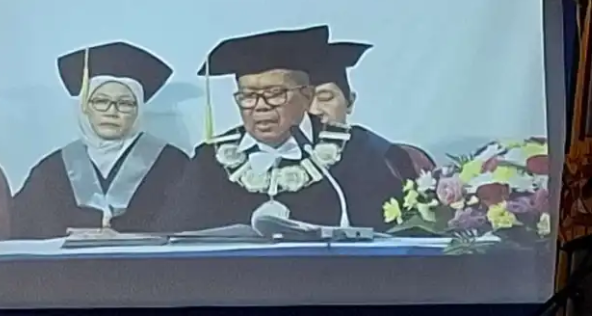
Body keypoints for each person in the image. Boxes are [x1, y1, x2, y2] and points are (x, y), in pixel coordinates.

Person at [162, 26, 415, 233]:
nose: (260, 106)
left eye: (275, 94)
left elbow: (394, 234)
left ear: (306, 96)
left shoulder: (357, 151)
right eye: (248, 96)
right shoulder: (211, 159)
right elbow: (173, 236)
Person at [11, 41, 189, 239]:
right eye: (101, 101)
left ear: (139, 109)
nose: (112, 112)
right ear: (85, 107)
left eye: (125, 103)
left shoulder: (174, 165)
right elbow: (24, 230)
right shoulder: (50, 171)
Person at [308, 41, 436, 176]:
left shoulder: (390, 158)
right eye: (305, 101)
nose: (313, 110)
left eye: (325, 97)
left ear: (349, 102)